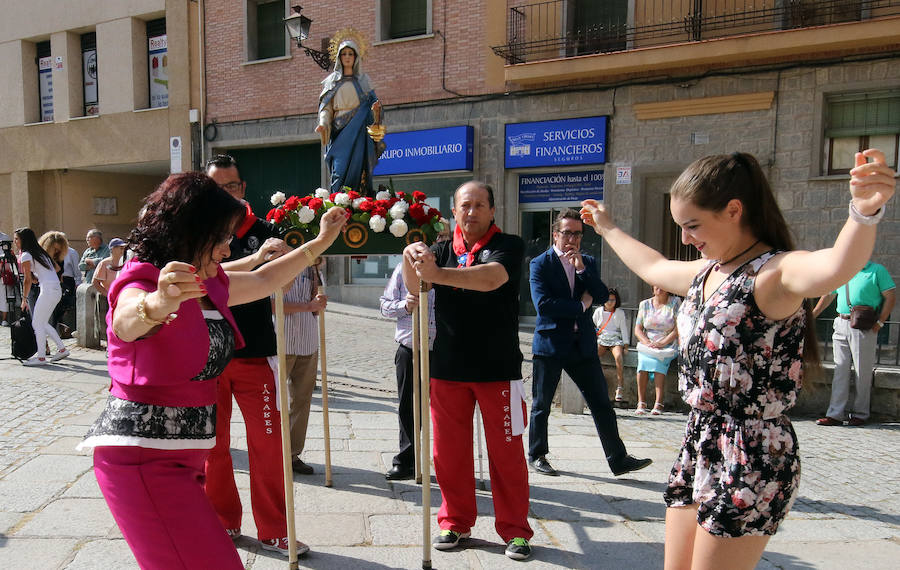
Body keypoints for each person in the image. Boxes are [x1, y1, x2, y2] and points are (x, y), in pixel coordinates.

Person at [580, 149, 895, 569]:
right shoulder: (709, 270)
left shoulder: (774, 273)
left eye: (693, 225)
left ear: (733, 210)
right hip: (700, 440)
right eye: (681, 227)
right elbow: (653, 266)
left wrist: (863, 212)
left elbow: (835, 267)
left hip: (751, 453)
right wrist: (608, 227)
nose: (687, 238)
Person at [76, 172, 346, 570]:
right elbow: (126, 321)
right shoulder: (145, 276)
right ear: (193, 230)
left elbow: (263, 278)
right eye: (220, 236)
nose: (227, 246)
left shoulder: (207, 281)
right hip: (144, 463)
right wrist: (156, 304)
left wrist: (319, 243)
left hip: (183, 463)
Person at [403, 181, 533, 561]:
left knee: (507, 454)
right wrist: (410, 258)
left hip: (499, 369)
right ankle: (455, 522)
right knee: (448, 453)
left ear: (492, 210)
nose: (471, 212)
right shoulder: (441, 249)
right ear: (454, 212)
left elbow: (490, 278)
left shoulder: (509, 245)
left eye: (479, 205)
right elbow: (417, 285)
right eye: (465, 205)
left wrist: (436, 273)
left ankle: (515, 530)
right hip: (448, 369)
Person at [202, 154, 307, 556]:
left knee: (267, 446)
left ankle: (275, 529)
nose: (225, 194)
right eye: (216, 187)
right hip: (209, 356)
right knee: (214, 445)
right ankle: (223, 522)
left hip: (255, 354)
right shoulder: (198, 234)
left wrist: (284, 258)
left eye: (231, 186)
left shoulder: (264, 230)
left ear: (242, 189)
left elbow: (285, 278)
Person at [528, 209, 652, 478]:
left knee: (600, 402)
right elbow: (544, 305)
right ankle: (537, 455)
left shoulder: (588, 262)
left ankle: (618, 459)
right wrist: (581, 305)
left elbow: (602, 294)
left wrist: (582, 270)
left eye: (577, 234)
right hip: (550, 344)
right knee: (542, 404)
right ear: (555, 234)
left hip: (581, 345)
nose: (572, 239)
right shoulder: (540, 264)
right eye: (567, 233)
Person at [812, 262, 895, 426]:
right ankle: (835, 414)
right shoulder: (844, 270)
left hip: (864, 325)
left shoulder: (877, 271)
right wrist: (812, 315)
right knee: (840, 369)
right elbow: (828, 295)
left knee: (862, 371)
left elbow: (891, 296)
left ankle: (861, 414)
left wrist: (880, 323)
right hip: (841, 322)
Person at [379, 261, 435, 481]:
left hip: (442, 350)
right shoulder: (404, 269)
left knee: (446, 410)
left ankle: (448, 462)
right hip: (410, 348)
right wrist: (404, 305)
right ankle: (406, 461)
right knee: (408, 407)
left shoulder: (449, 268)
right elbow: (384, 306)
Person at [317, 38, 382, 195]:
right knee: (338, 171)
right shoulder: (332, 82)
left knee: (358, 169)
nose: (347, 57)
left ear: (356, 57)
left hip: (359, 129)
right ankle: (338, 201)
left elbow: (375, 107)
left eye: (350, 54)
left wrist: (376, 111)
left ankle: (356, 200)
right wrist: (323, 123)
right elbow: (326, 108)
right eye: (344, 54)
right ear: (339, 57)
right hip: (339, 131)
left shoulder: (364, 81)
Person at [280, 259, 327, 475]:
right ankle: (274, 453)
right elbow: (271, 304)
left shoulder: (311, 267)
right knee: (275, 401)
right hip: (282, 340)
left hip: (307, 340)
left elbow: (316, 306)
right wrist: (308, 306)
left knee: (301, 400)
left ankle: (292, 454)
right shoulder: (277, 266)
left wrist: (317, 301)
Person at [13, 228, 69, 366]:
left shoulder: (26, 255)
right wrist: (39, 274)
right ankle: (61, 349)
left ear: (23, 240)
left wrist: (24, 299)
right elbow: (56, 268)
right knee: (42, 323)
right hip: (55, 289)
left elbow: (26, 280)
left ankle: (41, 357)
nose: (15, 242)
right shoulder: (40, 252)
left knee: (37, 323)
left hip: (48, 289)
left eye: (16, 239)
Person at [633, 286, 680, 415]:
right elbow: (638, 329)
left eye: (662, 285)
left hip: (667, 344)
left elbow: (678, 328)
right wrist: (646, 342)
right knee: (642, 362)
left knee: (658, 363)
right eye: (656, 286)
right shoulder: (645, 304)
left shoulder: (675, 303)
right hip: (648, 344)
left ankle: (658, 402)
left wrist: (662, 343)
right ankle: (641, 401)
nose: (659, 288)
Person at [592, 287, 629, 403]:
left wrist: (626, 344)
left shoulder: (619, 313)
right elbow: (593, 324)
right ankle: (595, 382)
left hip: (615, 338)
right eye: (608, 300)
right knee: (593, 356)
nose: (610, 302)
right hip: (602, 338)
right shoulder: (598, 311)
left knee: (618, 357)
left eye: (613, 300)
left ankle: (620, 387)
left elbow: (623, 329)